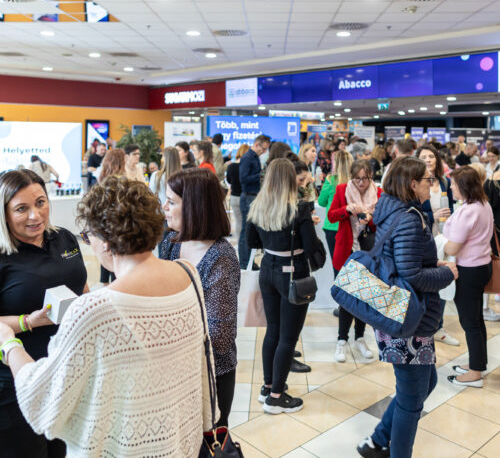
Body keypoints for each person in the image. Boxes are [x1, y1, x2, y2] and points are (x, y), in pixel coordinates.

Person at [0, 175, 213, 456]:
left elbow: (41, 401)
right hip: (180, 437)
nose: (35, 215)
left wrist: (8, 343)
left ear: (105, 240)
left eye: (88, 236)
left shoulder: (94, 309)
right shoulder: (188, 272)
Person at [357, 156, 457, 458]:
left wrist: (433, 264)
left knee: (425, 383)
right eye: (428, 179)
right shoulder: (409, 218)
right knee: (411, 401)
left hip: (405, 315)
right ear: (413, 184)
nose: (431, 184)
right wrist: (447, 274)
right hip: (407, 318)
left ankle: (376, 441)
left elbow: (406, 262)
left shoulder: (394, 211)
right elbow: (411, 275)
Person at [0, 169, 88, 457]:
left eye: (40, 203)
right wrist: (28, 322)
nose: (35, 216)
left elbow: (82, 286)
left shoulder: (64, 239)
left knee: (60, 451)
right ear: (4, 213)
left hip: (65, 373)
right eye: (21, 209)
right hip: (15, 382)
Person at [159, 169, 239, 427]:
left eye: (171, 202)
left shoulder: (221, 259)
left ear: (195, 206)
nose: (164, 207)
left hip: (210, 375)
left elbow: (220, 338)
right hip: (175, 371)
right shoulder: (171, 242)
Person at [246, 159, 324, 414]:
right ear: (290, 179)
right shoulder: (298, 209)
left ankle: (268, 386)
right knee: (288, 337)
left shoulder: (257, 205)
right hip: (293, 271)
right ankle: (276, 397)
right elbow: (310, 247)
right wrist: (309, 227)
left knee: (273, 332)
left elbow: (251, 241)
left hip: (267, 269)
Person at [444, 166, 494, 387]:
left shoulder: (469, 211)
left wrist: (442, 242)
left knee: (470, 322)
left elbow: (453, 248)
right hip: (481, 266)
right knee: (476, 320)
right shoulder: (483, 204)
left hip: (469, 270)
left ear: (464, 186)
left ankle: (475, 373)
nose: (451, 188)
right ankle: (478, 363)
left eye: (454, 185)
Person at [328, 160, 382, 362]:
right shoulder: (342, 190)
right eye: (357, 179)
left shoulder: (379, 193)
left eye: (365, 179)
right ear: (351, 177)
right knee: (346, 297)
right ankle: (341, 340)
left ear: (371, 177)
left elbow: (382, 223)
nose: (361, 183)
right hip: (346, 250)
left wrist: (370, 219)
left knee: (364, 296)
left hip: (368, 252)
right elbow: (331, 216)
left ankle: (360, 337)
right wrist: (346, 210)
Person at [416, 144, 459, 346]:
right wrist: (432, 215)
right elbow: (414, 212)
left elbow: (451, 207)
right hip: (423, 238)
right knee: (426, 281)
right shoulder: (415, 183)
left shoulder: (444, 182)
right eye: (423, 156)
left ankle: (438, 326)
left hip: (443, 237)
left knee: (442, 280)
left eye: (431, 156)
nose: (428, 160)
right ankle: (423, 324)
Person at [238, 134, 271, 269]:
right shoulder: (247, 158)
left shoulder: (255, 157)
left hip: (254, 196)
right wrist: (262, 175)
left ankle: (249, 262)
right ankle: (244, 263)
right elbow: (243, 178)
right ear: (257, 144)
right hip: (248, 197)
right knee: (246, 231)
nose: (264, 152)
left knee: (250, 230)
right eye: (263, 149)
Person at [318, 150, 353, 277]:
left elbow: (321, 202)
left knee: (337, 268)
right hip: (351, 226)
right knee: (352, 267)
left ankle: (338, 288)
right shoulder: (355, 181)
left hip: (332, 227)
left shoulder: (330, 180)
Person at [96, 148, 127, 288]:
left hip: (104, 220)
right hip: (118, 221)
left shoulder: (101, 177)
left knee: (106, 251)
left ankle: (105, 283)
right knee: (117, 254)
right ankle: (116, 285)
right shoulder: (122, 180)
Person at [483, 165, 500, 320]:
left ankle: (485, 307)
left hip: (493, 233)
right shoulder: (490, 183)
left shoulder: (489, 182)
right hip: (495, 234)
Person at [226, 143, 250, 244]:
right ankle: (245, 243)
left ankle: (240, 242)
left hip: (234, 197)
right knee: (246, 221)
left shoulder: (231, 166)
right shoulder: (248, 167)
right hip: (246, 197)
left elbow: (229, 180)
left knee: (238, 221)